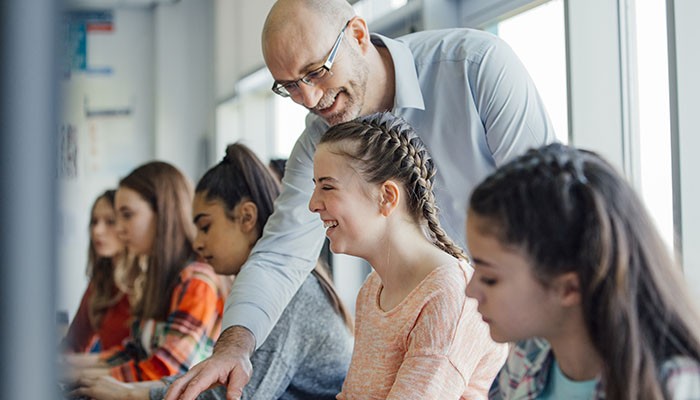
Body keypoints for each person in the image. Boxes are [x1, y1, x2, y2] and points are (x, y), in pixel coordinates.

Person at [166, 0, 554, 398]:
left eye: (315, 72)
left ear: (357, 35)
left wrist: (475, 316)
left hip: (528, 323)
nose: (308, 98)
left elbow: (548, 209)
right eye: (289, 86)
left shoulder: (475, 67)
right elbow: (281, 253)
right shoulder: (372, 292)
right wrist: (233, 348)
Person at [69, 143, 353, 400]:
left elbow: (236, 395)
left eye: (206, 227)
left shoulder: (291, 293)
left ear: (246, 217)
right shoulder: (251, 289)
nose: (198, 242)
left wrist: (129, 394)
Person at [465, 143, 700, 399]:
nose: (470, 290)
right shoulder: (525, 360)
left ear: (569, 288)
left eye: (489, 279)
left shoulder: (676, 387)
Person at [312, 112, 506, 398]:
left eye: (327, 187)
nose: (313, 204)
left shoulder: (449, 295)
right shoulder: (373, 289)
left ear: (387, 196)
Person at [63, 161, 227, 383]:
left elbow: (166, 369)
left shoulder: (197, 281)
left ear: (163, 213)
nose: (120, 229)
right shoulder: (161, 277)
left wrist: (82, 378)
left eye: (127, 215)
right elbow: (134, 352)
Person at [62, 189, 131, 353]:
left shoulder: (146, 285)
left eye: (110, 221)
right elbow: (73, 344)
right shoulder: (100, 282)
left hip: (131, 377)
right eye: (94, 222)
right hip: (101, 373)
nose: (97, 231)